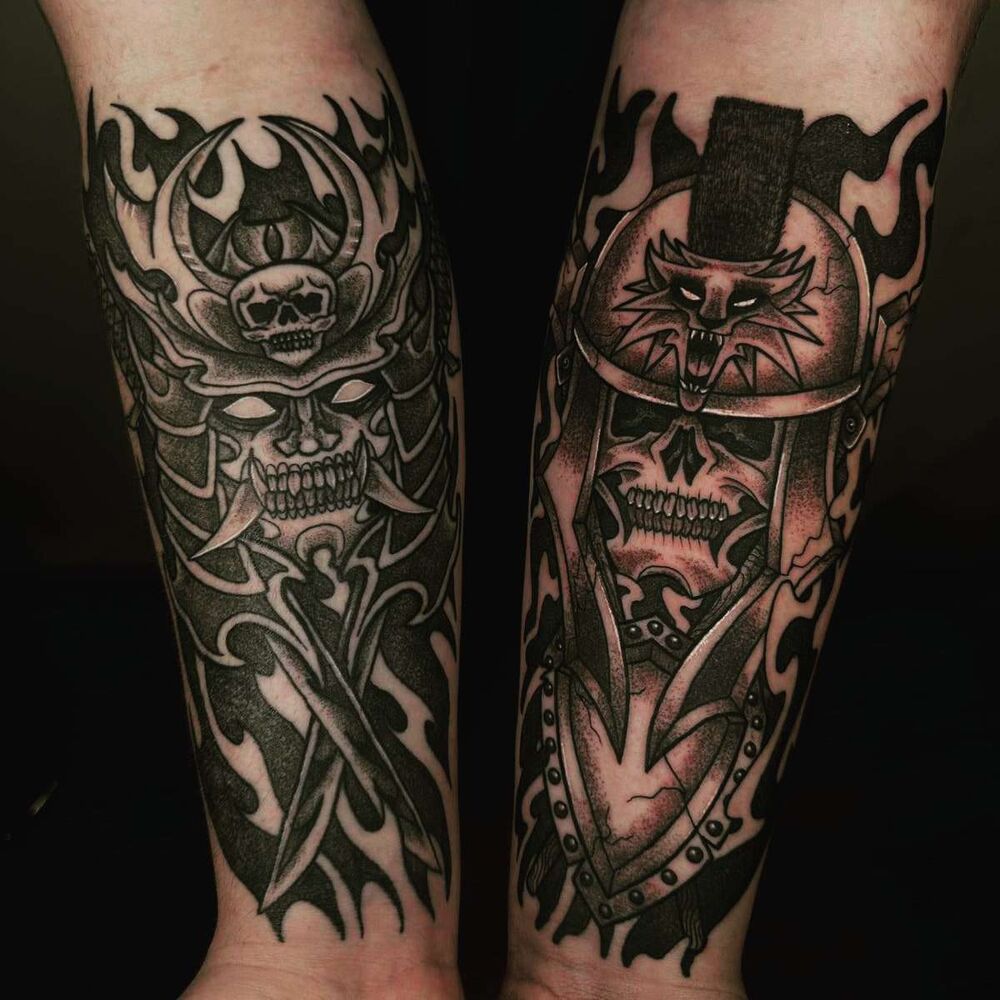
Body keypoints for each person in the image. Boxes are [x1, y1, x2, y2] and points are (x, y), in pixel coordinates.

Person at [37, 1, 986, 998]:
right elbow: (221, 54)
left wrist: (617, 982)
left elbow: (773, 54)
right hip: (404, 375)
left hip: (599, 202)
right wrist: (327, 967)